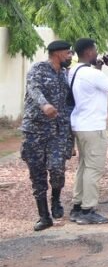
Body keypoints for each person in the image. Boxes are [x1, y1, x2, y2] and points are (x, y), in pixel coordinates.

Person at [69, 38, 108, 225]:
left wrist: (98, 67)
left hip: (80, 125)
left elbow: (90, 90)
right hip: (93, 127)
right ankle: (88, 210)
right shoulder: (92, 75)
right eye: (94, 50)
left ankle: (77, 207)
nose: (97, 53)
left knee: (83, 167)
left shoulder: (75, 71)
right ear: (88, 52)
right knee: (93, 169)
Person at [21, 40, 75, 231]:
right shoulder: (38, 69)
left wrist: (70, 137)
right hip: (34, 130)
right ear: (57, 53)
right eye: (68, 53)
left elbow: (69, 102)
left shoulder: (64, 74)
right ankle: (44, 216)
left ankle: (56, 200)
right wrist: (44, 105)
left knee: (57, 169)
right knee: (37, 174)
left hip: (57, 132)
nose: (70, 57)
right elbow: (34, 89)